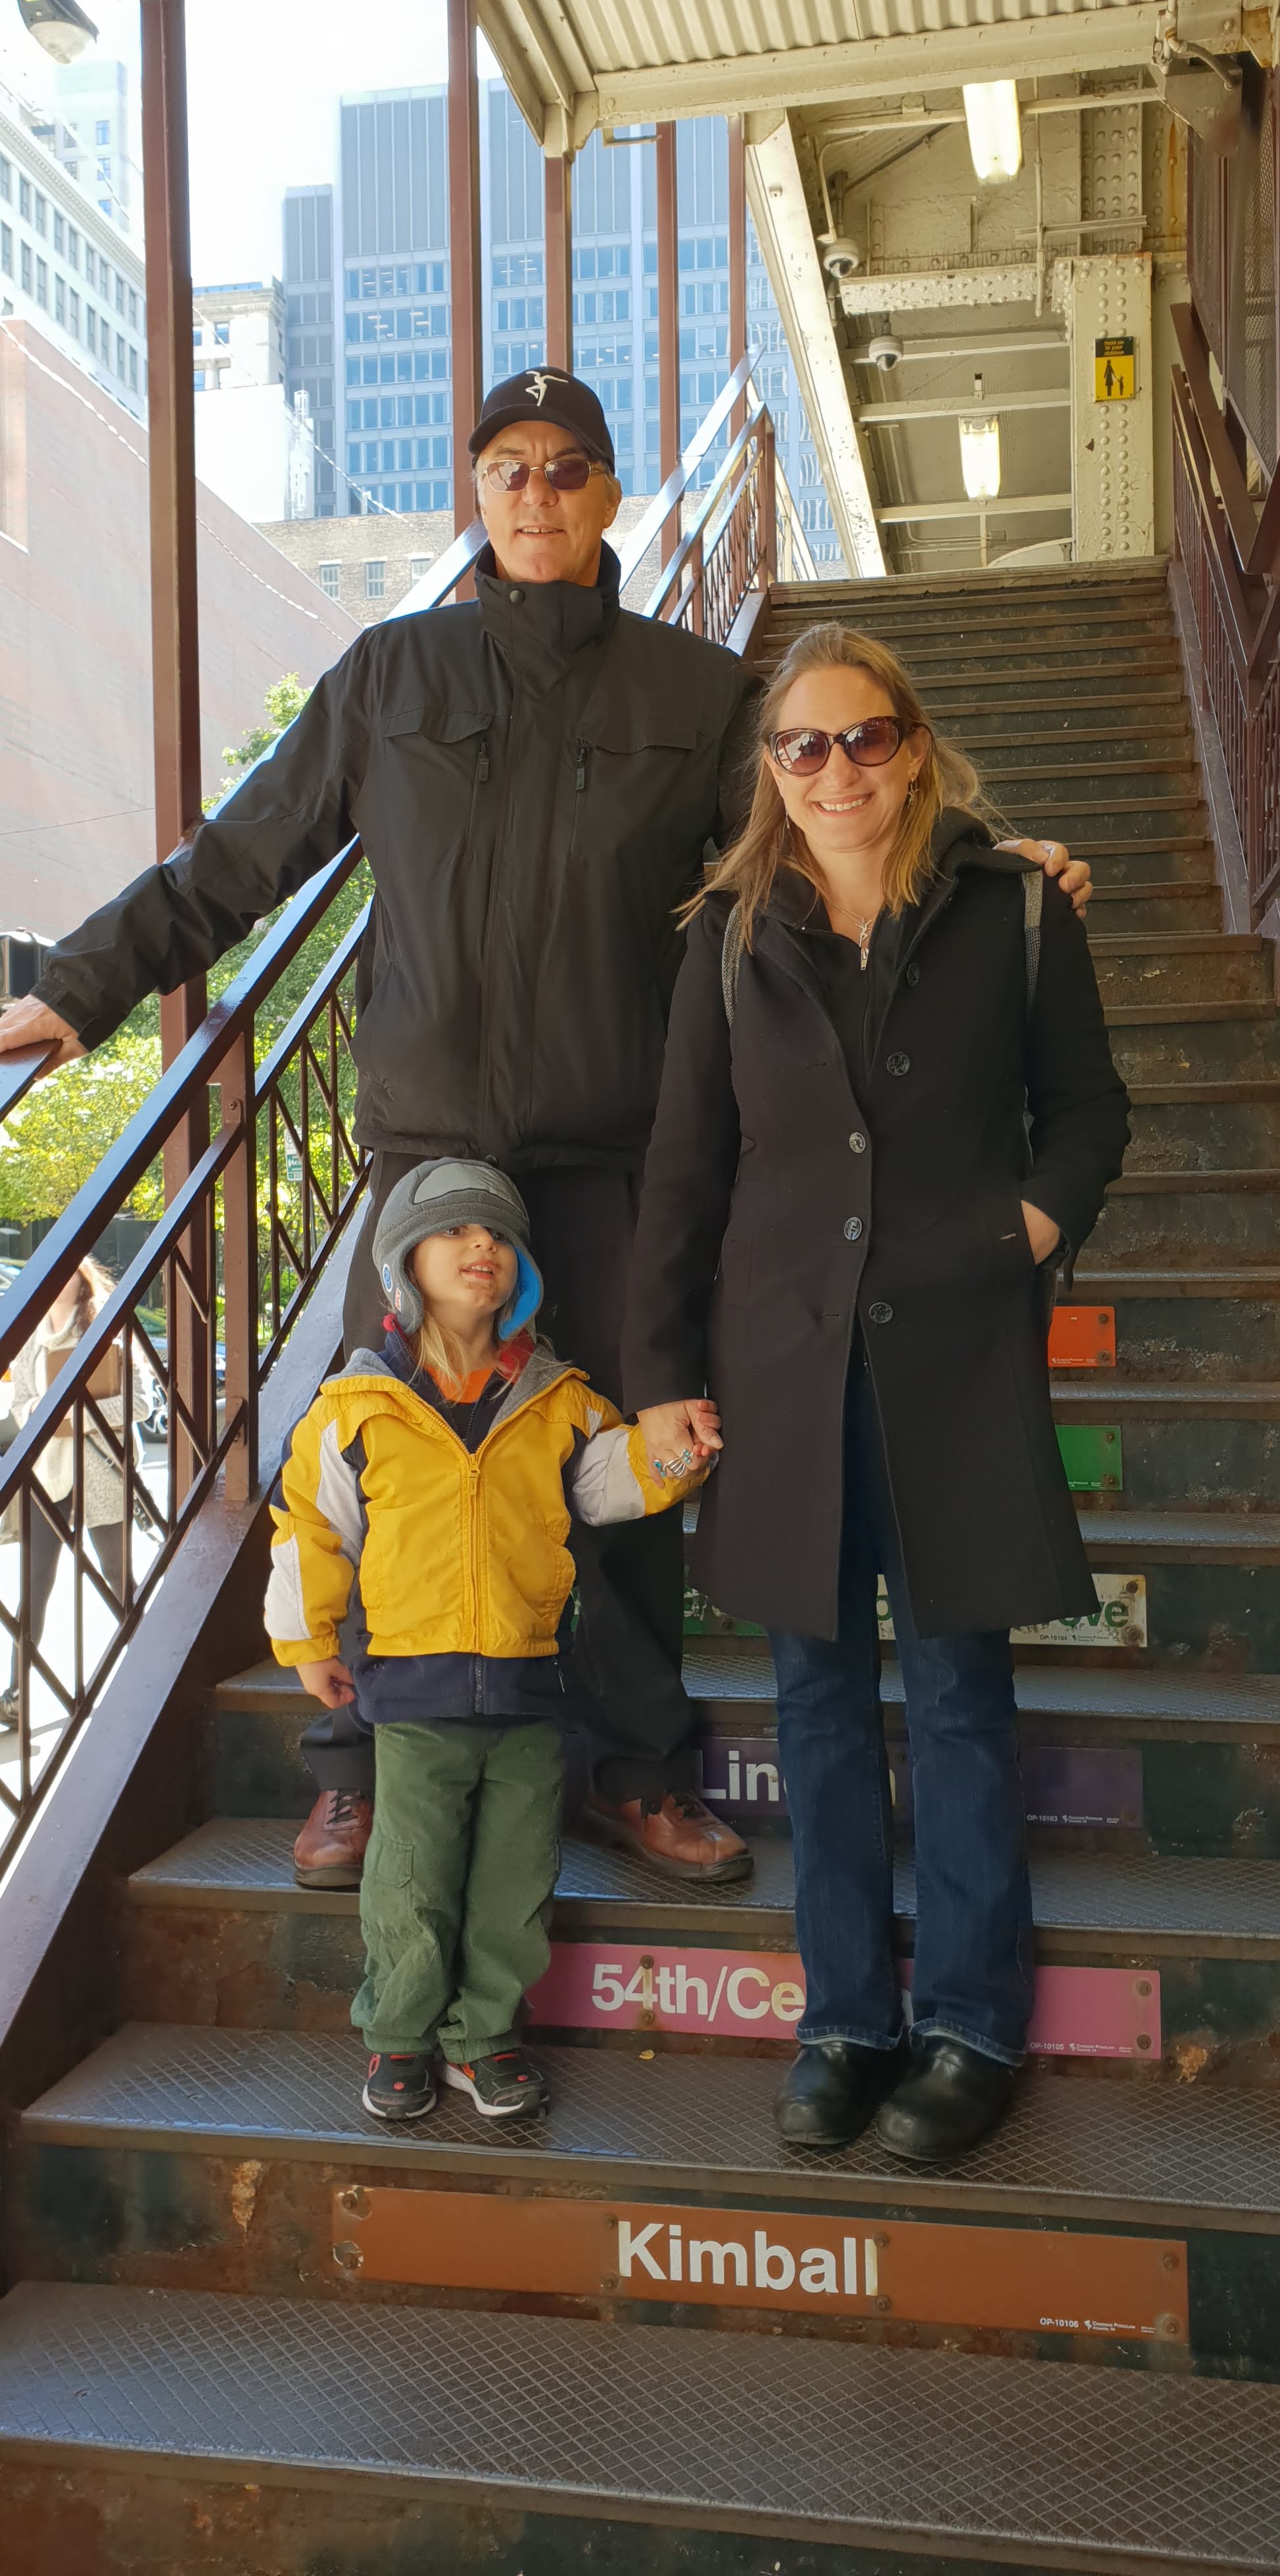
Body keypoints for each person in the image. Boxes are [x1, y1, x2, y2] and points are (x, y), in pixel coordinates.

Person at [0, 363, 1093, 1891]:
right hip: (431, 1163)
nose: (535, 492)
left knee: (632, 1469)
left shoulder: (694, 696)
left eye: (565, 467)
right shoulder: (390, 677)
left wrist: (986, 867)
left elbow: (823, 821)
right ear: (476, 490)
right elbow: (232, 863)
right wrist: (78, 990)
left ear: (606, 495)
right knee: (387, 1461)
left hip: (622, 1158)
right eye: (507, 466)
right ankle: (363, 1767)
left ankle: (635, 1772)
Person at [624, 622, 1129, 2166]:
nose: (833, 769)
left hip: (955, 1357)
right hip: (781, 1367)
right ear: (769, 769)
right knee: (818, 1706)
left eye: (863, 737)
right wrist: (659, 1378)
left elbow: (1086, 1112)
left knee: (962, 1703)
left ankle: (971, 2027)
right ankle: (843, 2021)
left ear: (911, 746)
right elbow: (683, 1173)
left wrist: (1023, 1230)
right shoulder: (726, 938)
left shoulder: (1012, 910)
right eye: (802, 744)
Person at [266, 1158, 709, 2123]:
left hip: (530, 1687)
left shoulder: (560, 1400)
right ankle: (398, 2036)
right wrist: (306, 1640)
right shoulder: (356, 1406)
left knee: (516, 1881)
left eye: (500, 1236)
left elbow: (611, 1484)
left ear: (525, 1273)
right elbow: (311, 1529)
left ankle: (485, 2038)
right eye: (456, 1231)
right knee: (412, 1879)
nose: (483, 1247)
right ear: (402, 1266)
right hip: (412, 1693)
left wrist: (675, 1454)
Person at [1, 1255, 148, 1727]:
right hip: (48, 1476)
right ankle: (16, 1695)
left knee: (117, 1578)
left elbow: (142, 1403)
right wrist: (40, 1413)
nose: (57, 1282)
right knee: (34, 1588)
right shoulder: (30, 1340)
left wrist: (79, 1415)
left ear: (83, 1281)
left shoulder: (107, 1329)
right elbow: (20, 1404)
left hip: (102, 1473)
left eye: (67, 1274)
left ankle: (147, 1674)